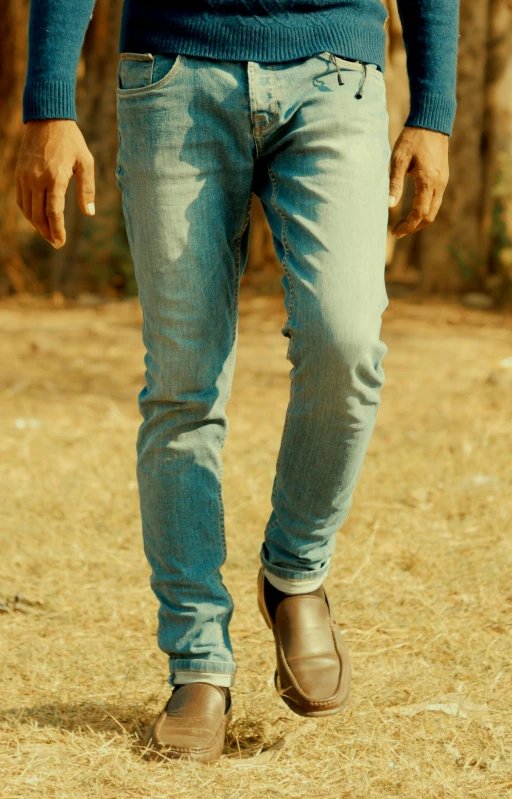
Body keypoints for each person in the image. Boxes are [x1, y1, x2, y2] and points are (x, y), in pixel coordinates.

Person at [16, 0, 459, 764]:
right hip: (173, 71)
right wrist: (50, 103)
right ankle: (196, 660)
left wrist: (436, 107)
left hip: (335, 71)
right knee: (183, 384)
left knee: (346, 341)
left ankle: (294, 572)